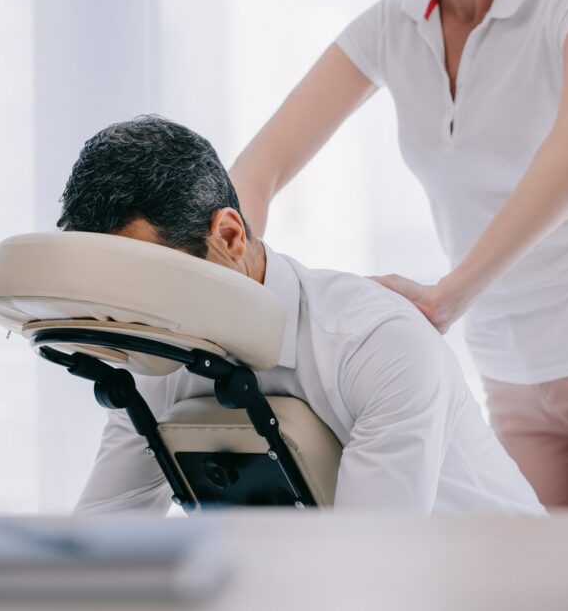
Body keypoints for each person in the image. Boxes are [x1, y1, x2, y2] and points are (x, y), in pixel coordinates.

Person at [228, 0, 568, 511]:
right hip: (512, 380)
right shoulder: (391, 28)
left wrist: (448, 297)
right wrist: (233, 284)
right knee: (529, 592)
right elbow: (258, 169)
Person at [61, 116, 543, 515]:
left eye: (148, 282)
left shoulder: (376, 345)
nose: (138, 319)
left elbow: (372, 573)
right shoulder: (159, 363)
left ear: (229, 238)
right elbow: (100, 543)